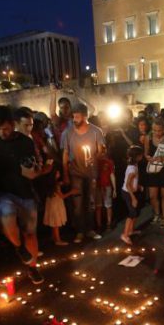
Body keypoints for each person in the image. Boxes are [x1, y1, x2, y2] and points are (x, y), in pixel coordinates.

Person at [0, 106, 45, 284]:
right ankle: (19, 248)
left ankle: (33, 267)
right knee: (8, 223)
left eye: (6, 128)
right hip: (4, 191)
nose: (2, 133)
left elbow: (33, 168)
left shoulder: (25, 142)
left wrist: (34, 170)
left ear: (12, 124)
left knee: (30, 233)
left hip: (25, 191)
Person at [61, 103, 106, 242]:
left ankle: (90, 229)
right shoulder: (67, 133)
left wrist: (95, 156)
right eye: (73, 116)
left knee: (91, 202)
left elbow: (102, 150)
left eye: (78, 116)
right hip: (75, 173)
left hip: (91, 173)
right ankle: (80, 231)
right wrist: (66, 174)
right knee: (78, 204)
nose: (75, 119)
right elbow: (65, 154)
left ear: (85, 116)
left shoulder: (96, 131)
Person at [44, 168, 77, 246]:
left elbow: (61, 184)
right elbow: (62, 196)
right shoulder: (55, 185)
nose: (59, 174)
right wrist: (72, 192)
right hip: (56, 205)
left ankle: (53, 237)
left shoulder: (52, 184)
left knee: (53, 222)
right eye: (57, 173)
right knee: (56, 223)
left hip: (51, 204)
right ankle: (58, 240)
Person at [121, 146, 144, 245]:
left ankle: (130, 231)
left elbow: (132, 182)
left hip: (132, 191)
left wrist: (138, 186)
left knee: (136, 212)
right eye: (141, 155)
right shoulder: (132, 169)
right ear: (138, 156)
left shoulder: (134, 165)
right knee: (132, 214)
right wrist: (133, 198)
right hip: (128, 193)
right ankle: (125, 235)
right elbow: (127, 184)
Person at [95, 144, 117, 232]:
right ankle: (98, 225)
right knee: (98, 207)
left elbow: (112, 175)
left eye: (103, 150)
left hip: (107, 186)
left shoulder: (109, 162)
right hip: (97, 187)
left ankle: (108, 223)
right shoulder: (95, 161)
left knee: (108, 206)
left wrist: (114, 188)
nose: (102, 153)